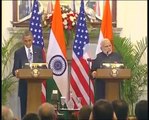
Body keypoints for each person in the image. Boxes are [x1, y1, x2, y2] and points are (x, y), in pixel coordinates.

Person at [12, 30, 44, 118]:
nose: (28, 43)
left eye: (29, 40)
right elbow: (14, 70)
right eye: (26, 41)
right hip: (24, 87)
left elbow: (43, 66)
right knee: (24, 112)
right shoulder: (18, 53)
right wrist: (16, 72)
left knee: (36, 111)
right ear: (23, 41)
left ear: (32, 39)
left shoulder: (38, 50)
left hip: (36, 87)